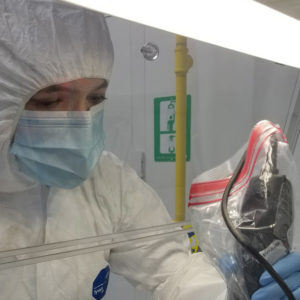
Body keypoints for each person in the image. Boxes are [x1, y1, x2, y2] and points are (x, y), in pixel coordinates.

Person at [0, 1, 299, 299]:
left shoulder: (104, 180)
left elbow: (172, 271)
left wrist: (233, 291)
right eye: (50, 102)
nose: (80, 121)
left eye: (94, 100)